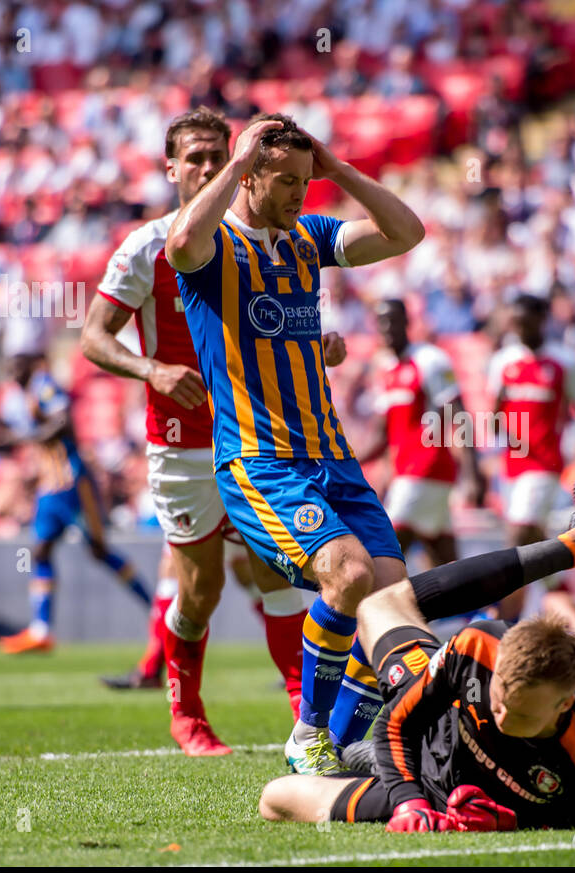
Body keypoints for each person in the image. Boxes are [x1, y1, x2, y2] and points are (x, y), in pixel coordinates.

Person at [166, 113, 425, 774]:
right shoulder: (215, 248)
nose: (298, 195)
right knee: (349, 574)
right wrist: (232, 163)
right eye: (284, 181)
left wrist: (337, 170)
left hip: (332, 456)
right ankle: (308, 733)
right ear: (248, 177)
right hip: (263, 461)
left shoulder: (310, 236)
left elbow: (407, 232)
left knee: (393, 600)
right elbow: (178, 243)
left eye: (304, 182)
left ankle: (343, 741)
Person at [80, 106, 318, 755]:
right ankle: (186, 713)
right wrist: (150, 369)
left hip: (256, 436)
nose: (209, 168)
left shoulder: (257, 236)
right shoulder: (147, 246)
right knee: (202, 589)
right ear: (171, 168)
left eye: (220, 156)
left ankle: (308, 719)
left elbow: (270, 325)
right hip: (182, 447)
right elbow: (94, 338)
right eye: (196, 159)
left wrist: (316, 346)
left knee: (279, 570)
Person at [260, 478, 575, 832]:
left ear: (564, 705)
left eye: (522, 713)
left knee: (281, 795)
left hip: (437, 794)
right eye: (500, 699)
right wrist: (409, 804)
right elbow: (395, 725)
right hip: (432, 747)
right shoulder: (480, 647)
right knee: (377, 605)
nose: (503, 714)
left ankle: (366, 759)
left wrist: (500, 819)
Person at [0, 355, 152, 654]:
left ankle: (155, 608)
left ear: (31, 362)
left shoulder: (43, 385)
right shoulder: (29, 393)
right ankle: (41, 630)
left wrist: (29, 437)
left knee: (98, 550)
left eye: (17, 363)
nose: (11, 370)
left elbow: (63, 419)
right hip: (50, 484)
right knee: (40, 551)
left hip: (71, 482)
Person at [488, 293, 575, 621]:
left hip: (543, 465)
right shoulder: (503, 361)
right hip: (511, 467)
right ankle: (569, 603)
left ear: (542, 320)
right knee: (534, 543)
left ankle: (500, 619)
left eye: (526, 321)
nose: (520, 328)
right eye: (516, 322)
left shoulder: (564, 362)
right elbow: (494, 416)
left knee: (516, 536)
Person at [357, 299, 486, 569]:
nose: (387, 328)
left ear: (408, 322)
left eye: (393, 320)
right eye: (381, 322)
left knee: (384, 552)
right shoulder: (388, 371)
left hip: (427, 469)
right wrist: (349, 463)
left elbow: (458, 414)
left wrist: (473, 472)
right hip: (409, 473)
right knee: (445, 560)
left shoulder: (429, 360)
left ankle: (372, 610)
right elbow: (382, 435)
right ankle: (469, 611)